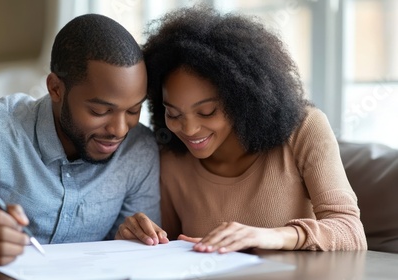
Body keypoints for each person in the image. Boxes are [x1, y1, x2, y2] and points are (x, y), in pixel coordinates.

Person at [0, 14, 161, 267]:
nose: (119, 129)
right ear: (55, 88)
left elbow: (129, 257)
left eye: (133, 111)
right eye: (100, 111)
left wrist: (133, 240)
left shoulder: (139, 149)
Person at [116, 7, 367, 252]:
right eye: (174, 113)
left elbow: (350, 231)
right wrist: (139, 236)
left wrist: (272, 236)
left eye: (207, 112)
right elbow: (166, 245)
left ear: (242, 99)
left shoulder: (305, 128)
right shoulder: (171, 154)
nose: (189, 129)